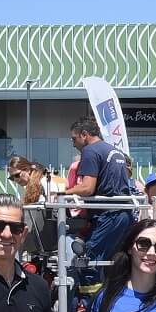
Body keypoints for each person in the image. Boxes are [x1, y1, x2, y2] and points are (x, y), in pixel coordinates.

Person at [66, 116, 135, 292]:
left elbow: (88, 188)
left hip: (109, 215)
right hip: (124, 215)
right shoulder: (114, 151)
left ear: (84, 134)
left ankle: (92, 309)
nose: (73, 144)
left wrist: (63, 193)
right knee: (113, 263)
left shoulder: (90, 151)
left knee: (88, 261)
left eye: (74, 139)